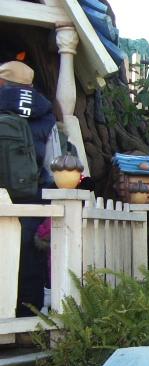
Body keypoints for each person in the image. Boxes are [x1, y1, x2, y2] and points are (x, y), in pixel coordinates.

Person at [0, 60, 55, 316]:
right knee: (30, 260)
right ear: (31, 86)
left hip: (2, 196)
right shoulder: (46, 113)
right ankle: (27, 319)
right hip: (33, 197)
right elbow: (53, 162)